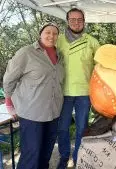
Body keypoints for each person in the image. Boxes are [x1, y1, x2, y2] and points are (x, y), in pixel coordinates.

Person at [3, 22, 64, 169]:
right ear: (40, 34)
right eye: (47, 32)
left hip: (54, 112)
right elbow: (9, 78)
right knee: (32, 153)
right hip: (32, 113)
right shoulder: (26, 52)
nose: (51, 36)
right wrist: (9, 103)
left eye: (55, 33)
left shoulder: (60, 55)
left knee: (46, 151)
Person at [56, 8, 99, 168]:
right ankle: (64, 157)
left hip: (84, 93)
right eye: (73, 19)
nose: (76, 22)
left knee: (82, 128)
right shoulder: (57, 40)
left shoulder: (92, 41)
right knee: (62, 128)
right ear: (67, 21)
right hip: (63, 92)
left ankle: (78, 157)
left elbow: (100, 66)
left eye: (79, 19)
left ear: (84, 21)